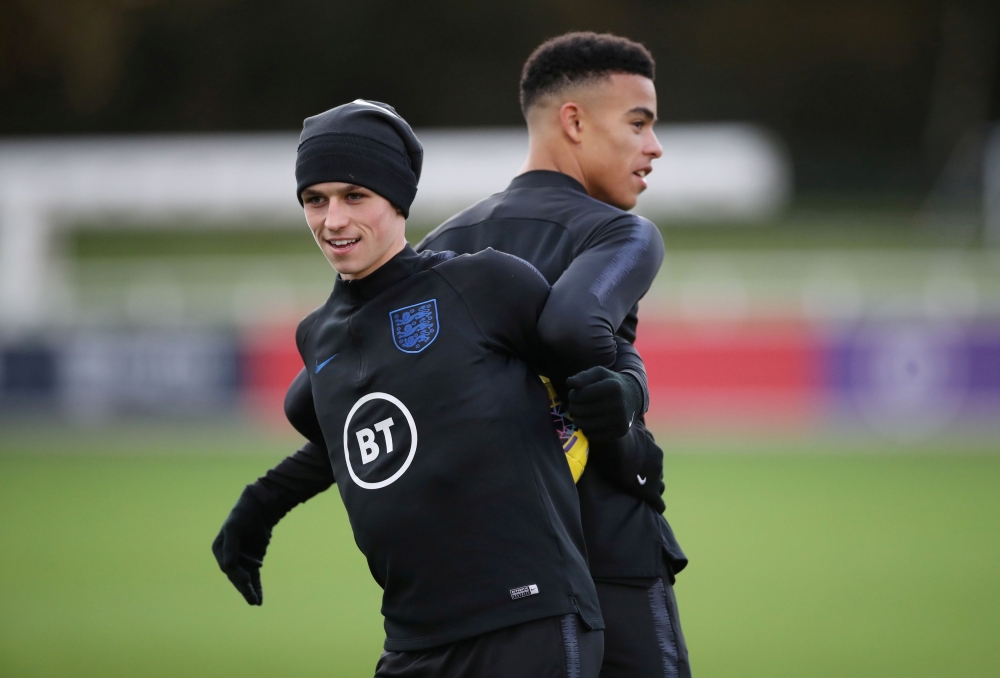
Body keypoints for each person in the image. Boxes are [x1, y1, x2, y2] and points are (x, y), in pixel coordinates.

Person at [212, 100, 615, 677]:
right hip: (413, 642)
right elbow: (352, 437)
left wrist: (625, 392)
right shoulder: (318, 338)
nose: (332, 220)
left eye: (355, 196)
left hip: (530, 622)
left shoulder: (483, 285)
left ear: (398, 201)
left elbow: (599, 353)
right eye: (314, 199)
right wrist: (259, 507)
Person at [416, 33, 691, 678]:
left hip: (486, 566)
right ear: (574, 120)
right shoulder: (620, 231)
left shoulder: (437, 245)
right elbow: (573, 326)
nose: (654, 147)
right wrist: (632, 404)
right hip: (606, 546)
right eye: (639, 123)